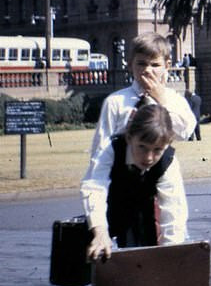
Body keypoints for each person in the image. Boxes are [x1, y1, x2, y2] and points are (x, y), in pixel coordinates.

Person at [81, 103, 188, 260]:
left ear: (168, 143)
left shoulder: (168, 162)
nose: (149, 157)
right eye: (142, 147)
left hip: (146, 220)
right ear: (130, 137)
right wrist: (100, 232)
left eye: (157, 150)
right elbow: (94, 188)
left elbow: (174, 212)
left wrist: (171, 256)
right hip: (109, 213)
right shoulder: (110, 149)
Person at [91, 33, 196, 158]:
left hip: (162, 172)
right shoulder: (115, 102)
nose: (147, 70)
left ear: (167, 66)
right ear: (130, 65)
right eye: (141, 64)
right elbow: (100, 148)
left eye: (155, 65)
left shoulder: (174, 99)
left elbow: (184, 133)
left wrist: (162, 100)